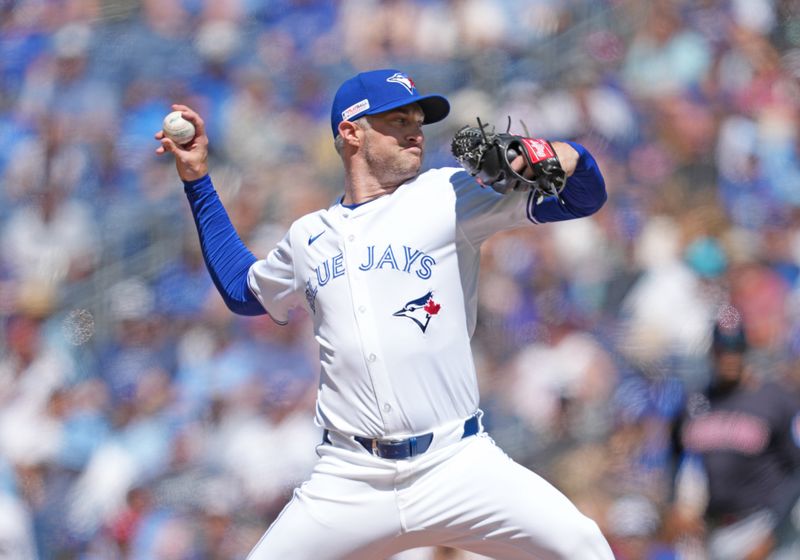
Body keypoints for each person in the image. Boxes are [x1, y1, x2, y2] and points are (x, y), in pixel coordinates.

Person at [156, 68, 614, 559]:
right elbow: (242, 291)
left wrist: (548, 153)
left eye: (418, 119)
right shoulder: (309, 236)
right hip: (350, 478)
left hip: (455, 463)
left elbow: (585, 196)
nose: (415, 130)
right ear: (351, 132)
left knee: (584, 546)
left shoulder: (449, 195)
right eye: (397, 120)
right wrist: (197, 180)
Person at [670, 311, 800, 560]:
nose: (730, 357)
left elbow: (798, 470)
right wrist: (675, 505)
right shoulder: (695, 402)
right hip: (713, 531)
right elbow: (675, 459)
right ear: (712, 352)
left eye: (736, 348)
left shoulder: (776, 399)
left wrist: (772, 534)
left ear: (746, 350)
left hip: (762, 524)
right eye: (723, 349)